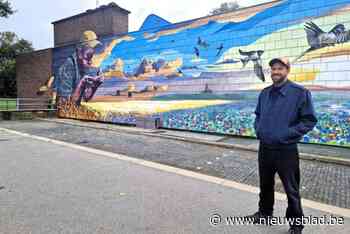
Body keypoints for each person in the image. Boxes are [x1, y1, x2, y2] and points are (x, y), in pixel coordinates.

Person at [245, 57, 318, 234]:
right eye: (273, 69)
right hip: (265, 147)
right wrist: (259, 130)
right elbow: (258, 115)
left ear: (287, 70)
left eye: (280, 68)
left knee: (291, 189)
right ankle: (265, 213)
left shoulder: (300, 93)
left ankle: (296, 225)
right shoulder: (264, 93)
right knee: (265, 183)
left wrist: (287, 135)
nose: (276, 72)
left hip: (286, 150)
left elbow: (309, 120)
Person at [52, 30, 104, 106]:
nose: (90, 62)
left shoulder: (83, 67)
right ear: (79, 52)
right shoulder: (68, 66)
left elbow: (86, 98)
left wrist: (95, 85)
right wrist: (82, 83)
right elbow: (63, 104)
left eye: (91, 57)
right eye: (87, 57)